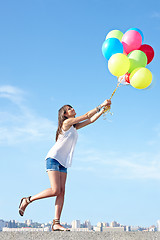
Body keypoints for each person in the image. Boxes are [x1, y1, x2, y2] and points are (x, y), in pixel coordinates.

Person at [18, 99, 111, 231]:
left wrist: (103, 111)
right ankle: (27, 200)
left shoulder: (73, 127)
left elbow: (90, 120)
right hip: (53, 158)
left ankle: (56, 223)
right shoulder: (66, 123)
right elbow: (86, 116)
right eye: (69, 109)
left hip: (63, 162)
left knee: (61, 192)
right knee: (55, 190)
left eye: (72, 107)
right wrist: (101, 105)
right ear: (65, 114)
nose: (72, 109)